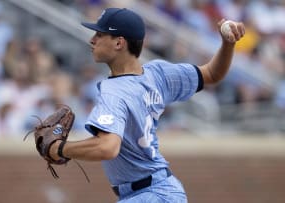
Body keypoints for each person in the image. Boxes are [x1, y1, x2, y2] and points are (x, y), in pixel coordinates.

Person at [48, 7, 245, 203]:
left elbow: (107, 148)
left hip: (150, 194)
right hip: (163, 191)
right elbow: (212, 74)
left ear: (119, 42)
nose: (92, 40)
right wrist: (227, 45)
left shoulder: (114, 90)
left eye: (100, 34)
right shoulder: (157, 74)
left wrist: (59, 149)